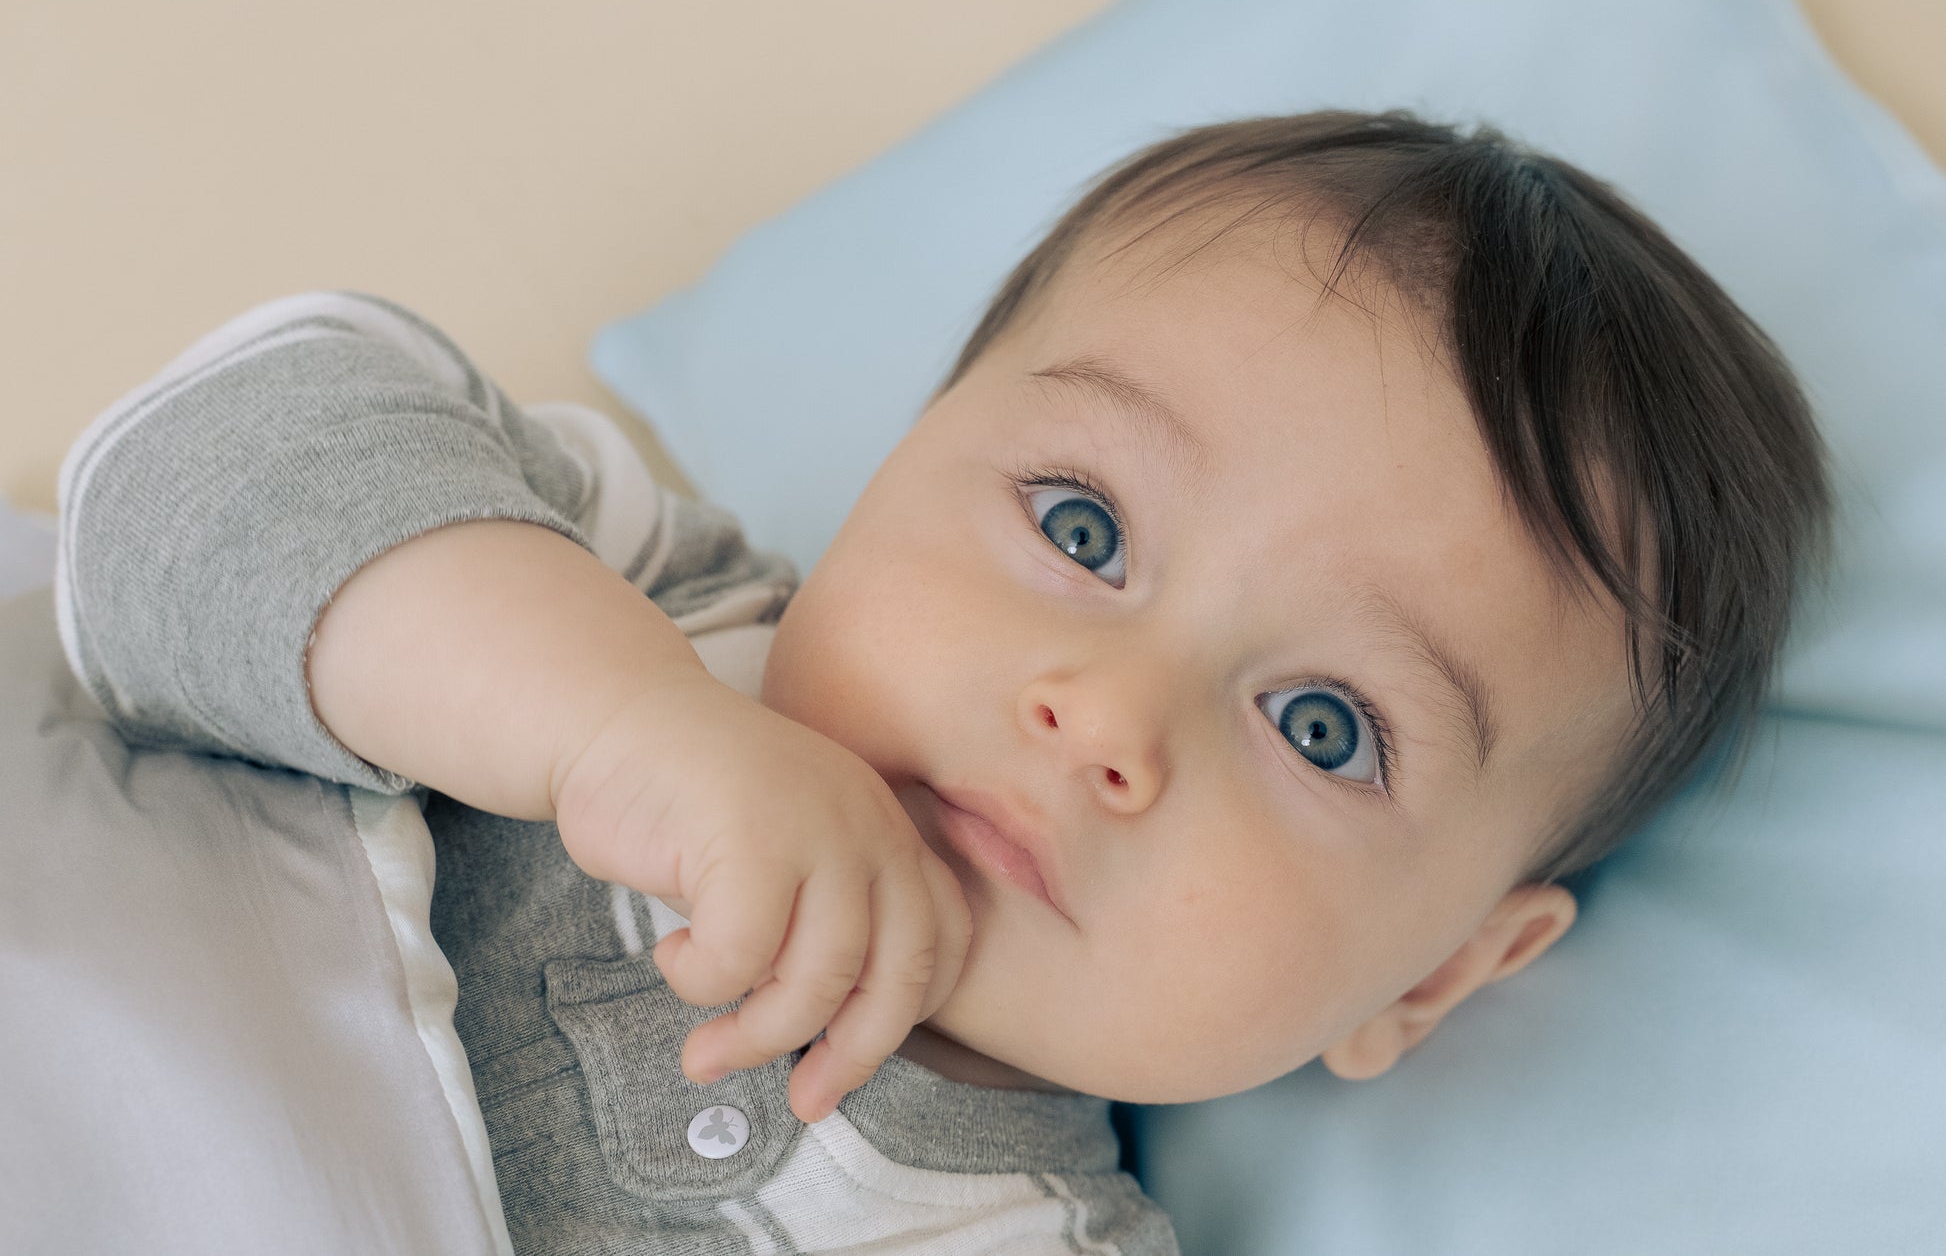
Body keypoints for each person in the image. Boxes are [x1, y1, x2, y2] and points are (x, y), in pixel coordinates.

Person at [55, 110, 1830, 1253]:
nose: (1105, 713)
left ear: (1432, 977)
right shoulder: (634, 599)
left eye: (1322, 725)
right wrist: (611, 722)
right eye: (1078, 523)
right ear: (909, 451)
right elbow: (192, 478)